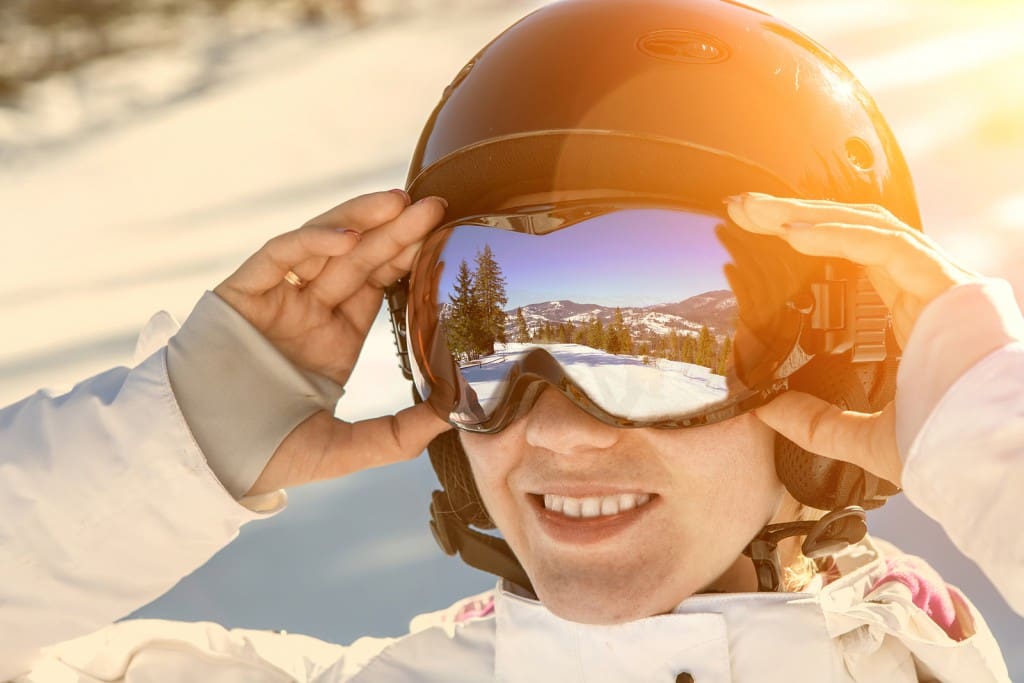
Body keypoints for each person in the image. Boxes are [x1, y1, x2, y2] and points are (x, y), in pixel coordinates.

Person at [2, 0, 1021, 680]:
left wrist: (990, 439)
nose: (559, 430)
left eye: (652, 340)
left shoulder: (928, 651)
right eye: (492, 332)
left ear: (828, 359)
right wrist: (175, 444)